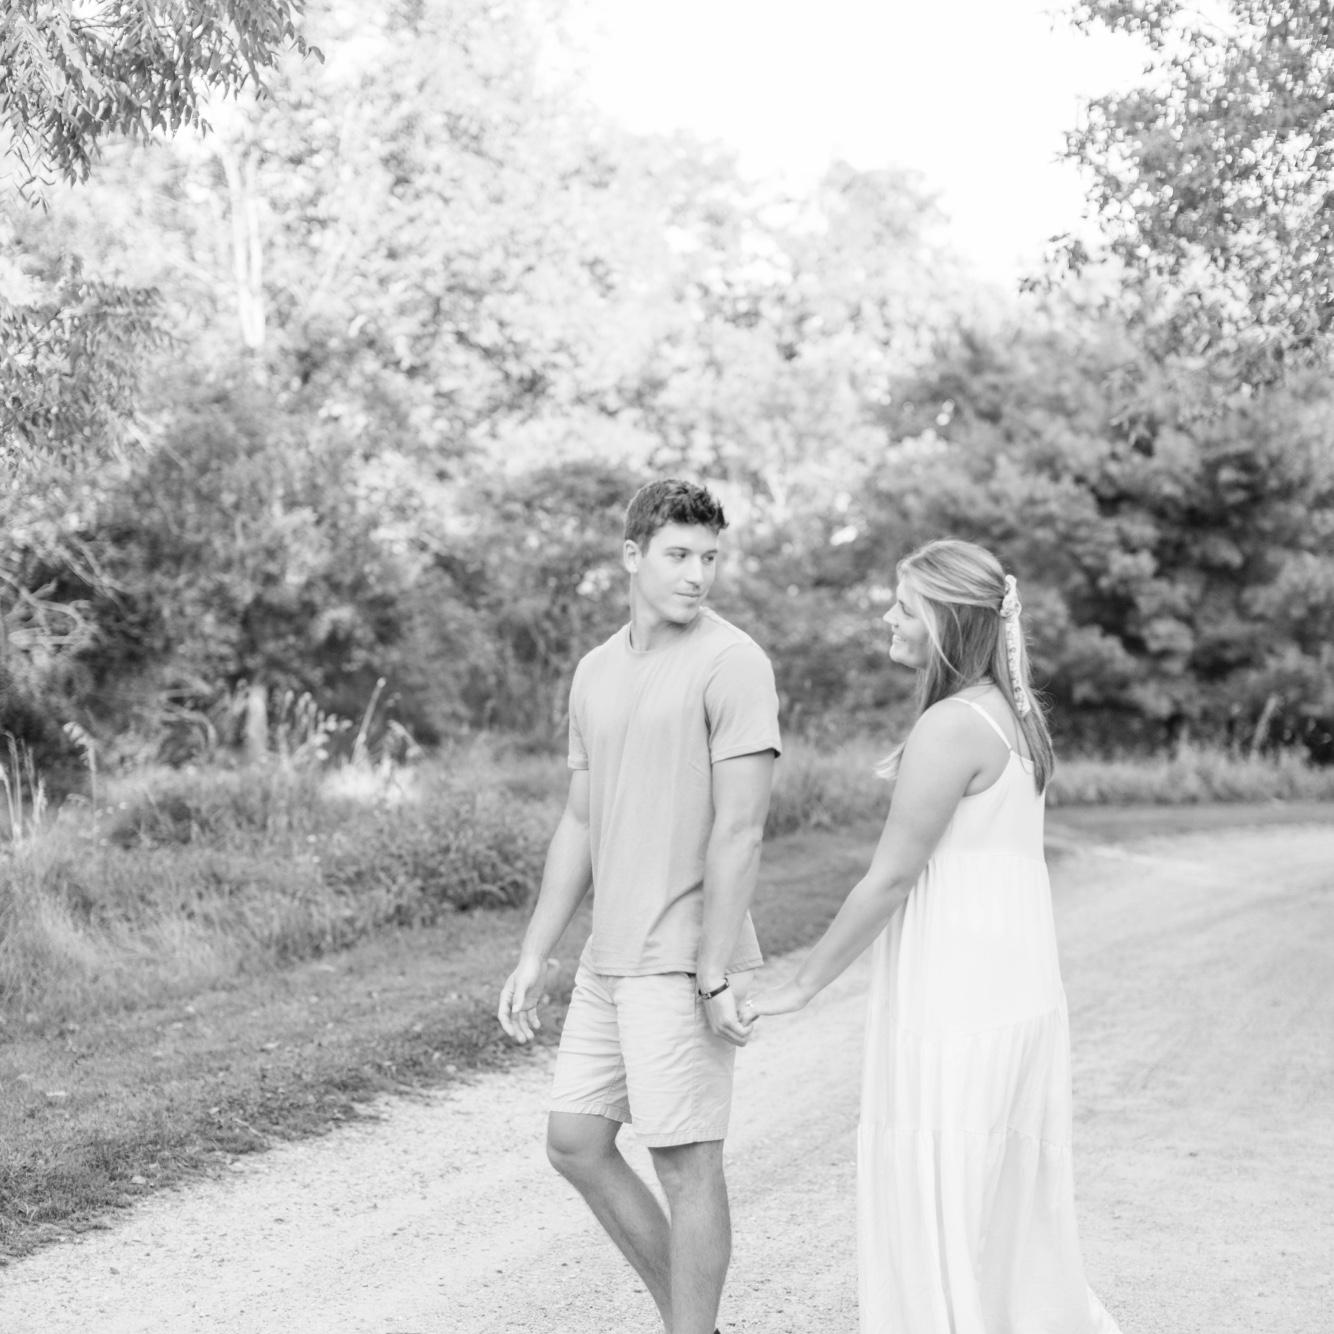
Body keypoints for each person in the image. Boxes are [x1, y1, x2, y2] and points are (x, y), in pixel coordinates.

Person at [744, 538, 1120, 1334]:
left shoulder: (951, 725)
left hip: (958, 995)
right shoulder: (1016, 715)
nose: (889, 616)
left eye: (904, 606)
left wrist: (802, 986)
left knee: (938, 1186)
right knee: (996, 1199)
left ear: (946, 622)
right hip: (1012, 989)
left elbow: (889, 878)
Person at [497, 478, 781, 1334]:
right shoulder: (595, 671)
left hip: (683, 957)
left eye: (709, 558)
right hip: (609, 956)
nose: (698, 574)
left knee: (686, 1164)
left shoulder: (733, 662)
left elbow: (742, 829)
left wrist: (712, 970)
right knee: (575, 1142)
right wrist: (535, 951)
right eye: (679, 555)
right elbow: (581, 820)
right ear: (632, 556)